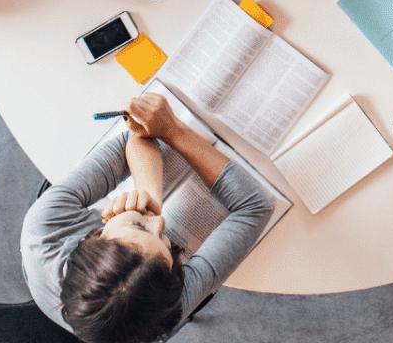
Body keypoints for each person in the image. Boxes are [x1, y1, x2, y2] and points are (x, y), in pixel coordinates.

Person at [22, 92, 274, 343]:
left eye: (139, 226)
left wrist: (149, 194)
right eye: (167, 247)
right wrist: (174, 130)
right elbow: (255, 207)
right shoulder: (161, 303)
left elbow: (133, 137)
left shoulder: (44, 227)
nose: (159, 221)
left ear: (95, 235)